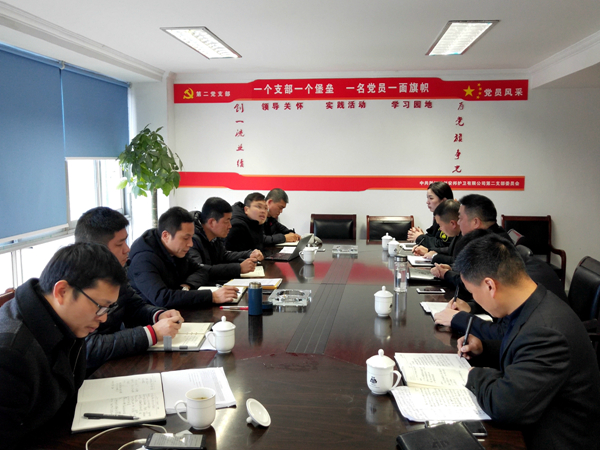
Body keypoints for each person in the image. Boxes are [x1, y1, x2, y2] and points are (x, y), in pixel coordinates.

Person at [454, 234, 600, 450]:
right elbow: (521, 348)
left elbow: (505, 407)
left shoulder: (546, 332)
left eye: (473, 293)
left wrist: (474, 375)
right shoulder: (535, 301)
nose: (474, 299)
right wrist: (483, 349)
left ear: (490, 286)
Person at [0, 243, 125, 449]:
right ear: (62, 291)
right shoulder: (10, 355)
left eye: (108, 308)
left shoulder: (67, 320)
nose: (103, 318)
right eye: (100, 306)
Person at [75, 207, 183, 370]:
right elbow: (89, 346)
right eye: (120, 244)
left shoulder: (115, 272)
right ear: (97, 248)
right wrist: (152, 334)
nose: (127, 249)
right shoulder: (78, 285)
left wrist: (158, 315)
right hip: (93, 372)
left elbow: (134, 307)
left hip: (115, 361)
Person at [128, 206, 239, 308]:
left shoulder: (175, 249)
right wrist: (212, 297)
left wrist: (186, 286)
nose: (190, 244)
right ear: (166, 236)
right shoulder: (143, 259)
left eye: (191, 237)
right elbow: (162, 298)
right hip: (151, 318)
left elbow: (200, 270)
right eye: (186, 238)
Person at [430, 193, 510, 280]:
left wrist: (446, 274)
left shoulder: (492, 245)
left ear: (475, 222)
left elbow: (471, 282)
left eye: (460, 218)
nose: (458, 222)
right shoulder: (487, 236)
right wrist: (452, 268)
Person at [189, 197, 264, 283]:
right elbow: (200, 270)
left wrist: (249, 254)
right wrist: (238, 268)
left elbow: (223, 255)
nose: (230, 226)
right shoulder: (191, 240)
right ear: (212, 222)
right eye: (226, 221)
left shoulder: (214, 235)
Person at [408, 181, 454, 251]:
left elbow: (442, 245)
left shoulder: (451, 218)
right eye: (427, 198)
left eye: (431, 198)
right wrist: (420, 235)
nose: (427, 202)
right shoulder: (438, 215)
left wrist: (420, 237)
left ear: (444, 201)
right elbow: (432, 235)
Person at [415, 199, 462, 265]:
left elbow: (458, 261)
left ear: (453, 224)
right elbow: (449, 250)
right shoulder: (458, 233)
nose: (440, 229)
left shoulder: (467, 237)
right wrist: (429, 251)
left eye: (440, 225)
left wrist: (434, 256)